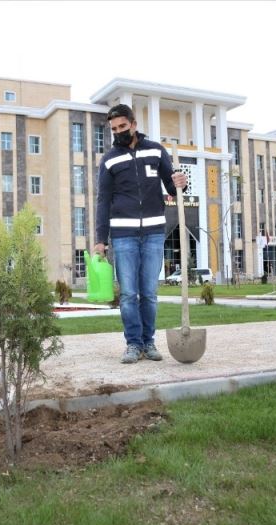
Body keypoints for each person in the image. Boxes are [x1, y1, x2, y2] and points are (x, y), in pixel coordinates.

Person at [93, 104, 188, 364]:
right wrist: (101, 239)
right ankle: (133, 344)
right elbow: (103, 200)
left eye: (122, 127)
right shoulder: (109, 159)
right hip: (123, 234)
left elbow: (172, 185)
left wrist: (182, 182)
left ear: (134, 124)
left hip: (155, 232)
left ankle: (149, 342)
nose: (118, 132)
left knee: (149, 293)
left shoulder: (156, 151)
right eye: (114, 129)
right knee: (127, 294)